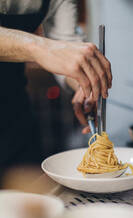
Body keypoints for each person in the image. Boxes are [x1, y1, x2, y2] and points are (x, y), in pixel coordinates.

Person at [0, 0, 112, 170]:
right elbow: (49, 49)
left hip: (15, 118)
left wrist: (84, 84)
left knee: (31, 194)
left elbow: (66, 41)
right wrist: (38, 47)